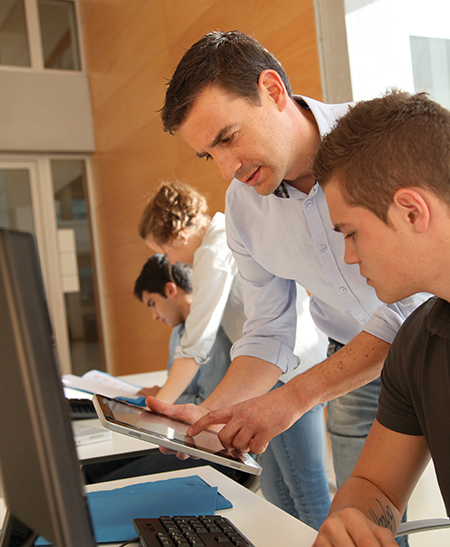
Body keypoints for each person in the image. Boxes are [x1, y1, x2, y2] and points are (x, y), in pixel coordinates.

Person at [144, 30, 426, 536]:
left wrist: (295, 397)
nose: (229, 169)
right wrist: (209, 416)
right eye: (210, 155)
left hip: (428, 340)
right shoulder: (244, 206)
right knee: (362, 521)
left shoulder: (376, 142)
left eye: (228, 137)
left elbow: (412, 309)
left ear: (273, 91)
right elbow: (269, 332)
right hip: (347, 359)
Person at [309, 89, 450, 546]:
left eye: (351, 233)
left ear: (412, 211)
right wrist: (352, 523)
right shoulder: (417, 342)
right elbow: (376, 487)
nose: (348, 257)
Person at [138, 180, 247, 405]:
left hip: (285, 369)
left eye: (166, 252)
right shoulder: (220, 233)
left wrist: (159, 406)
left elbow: (197, 343)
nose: (172, 262)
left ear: (179, 236)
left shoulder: (212, 253)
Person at [134, 253, 233, 404]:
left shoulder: (213, 334)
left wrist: (162, 396)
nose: (154, 316)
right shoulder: (177, 332)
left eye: (152, 303)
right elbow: (185, 390)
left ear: (170, 290)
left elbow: (210, 404)